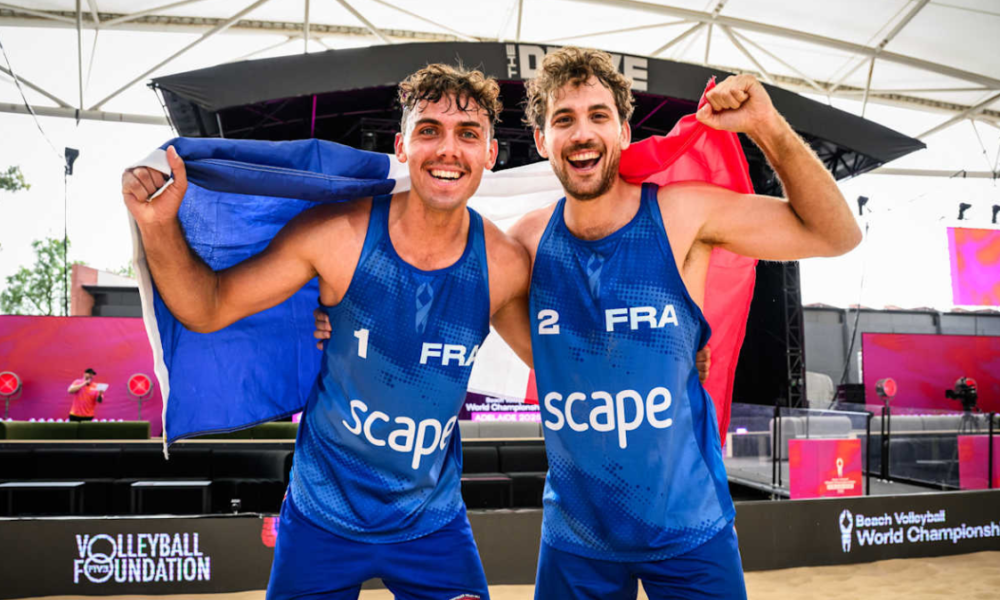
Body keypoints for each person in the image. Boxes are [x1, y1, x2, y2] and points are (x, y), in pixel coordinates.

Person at [122, 64, 533, 600]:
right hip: (321, 518)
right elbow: (208, 307)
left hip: (432, 524)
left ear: (491, 154)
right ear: (402, 147)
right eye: (429, 130)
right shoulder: (338, 235)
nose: (448, 149)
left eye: (468, 134)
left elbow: (557, 365)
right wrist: (157, 225)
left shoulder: (503, 265)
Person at [509, 47, 862, 600]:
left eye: (598, 115)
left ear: (624, 132)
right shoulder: (527, 241)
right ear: (541, 140)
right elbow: (452, 286)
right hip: (577, 537)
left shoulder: (682, 213)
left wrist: (766, 126)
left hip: (689, 530)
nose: (582, 133)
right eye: (564, 119)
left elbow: (835, 234)